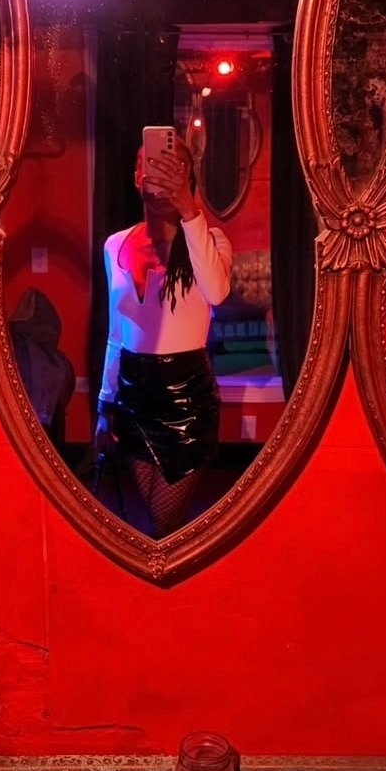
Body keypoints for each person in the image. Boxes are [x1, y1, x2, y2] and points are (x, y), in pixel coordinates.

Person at [95, 136, 232, 537]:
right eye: (147, 163)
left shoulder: (211, 242)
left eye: (168, 166)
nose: (154, 173)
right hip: (133, 395)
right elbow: (116, 333)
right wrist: (104, 406)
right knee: (156, 525)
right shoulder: (115, 244)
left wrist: (189, 210)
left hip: (186, 397)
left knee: (164, 520)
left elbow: (216, 293)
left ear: (186, 175)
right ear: (136, 176)